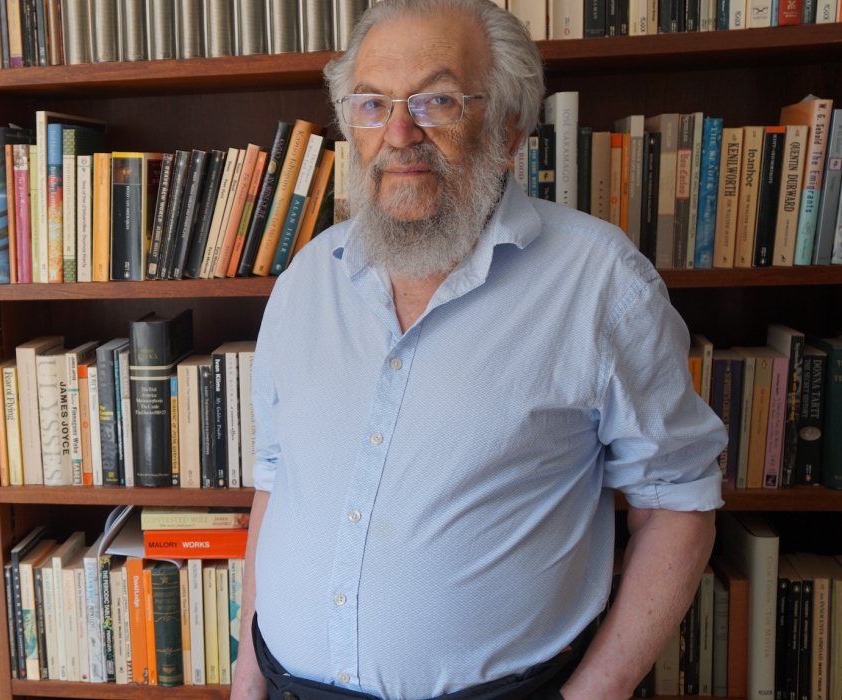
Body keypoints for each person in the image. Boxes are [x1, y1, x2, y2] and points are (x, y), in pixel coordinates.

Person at [230, 1, 728, 699]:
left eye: (437, 100)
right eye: (372, 104)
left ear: (510, 126)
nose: (400, 134)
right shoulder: (307, 279)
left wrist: (598, 691)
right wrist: (246, 677)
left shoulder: (601, 282)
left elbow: (678, 502)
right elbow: (279, 481)